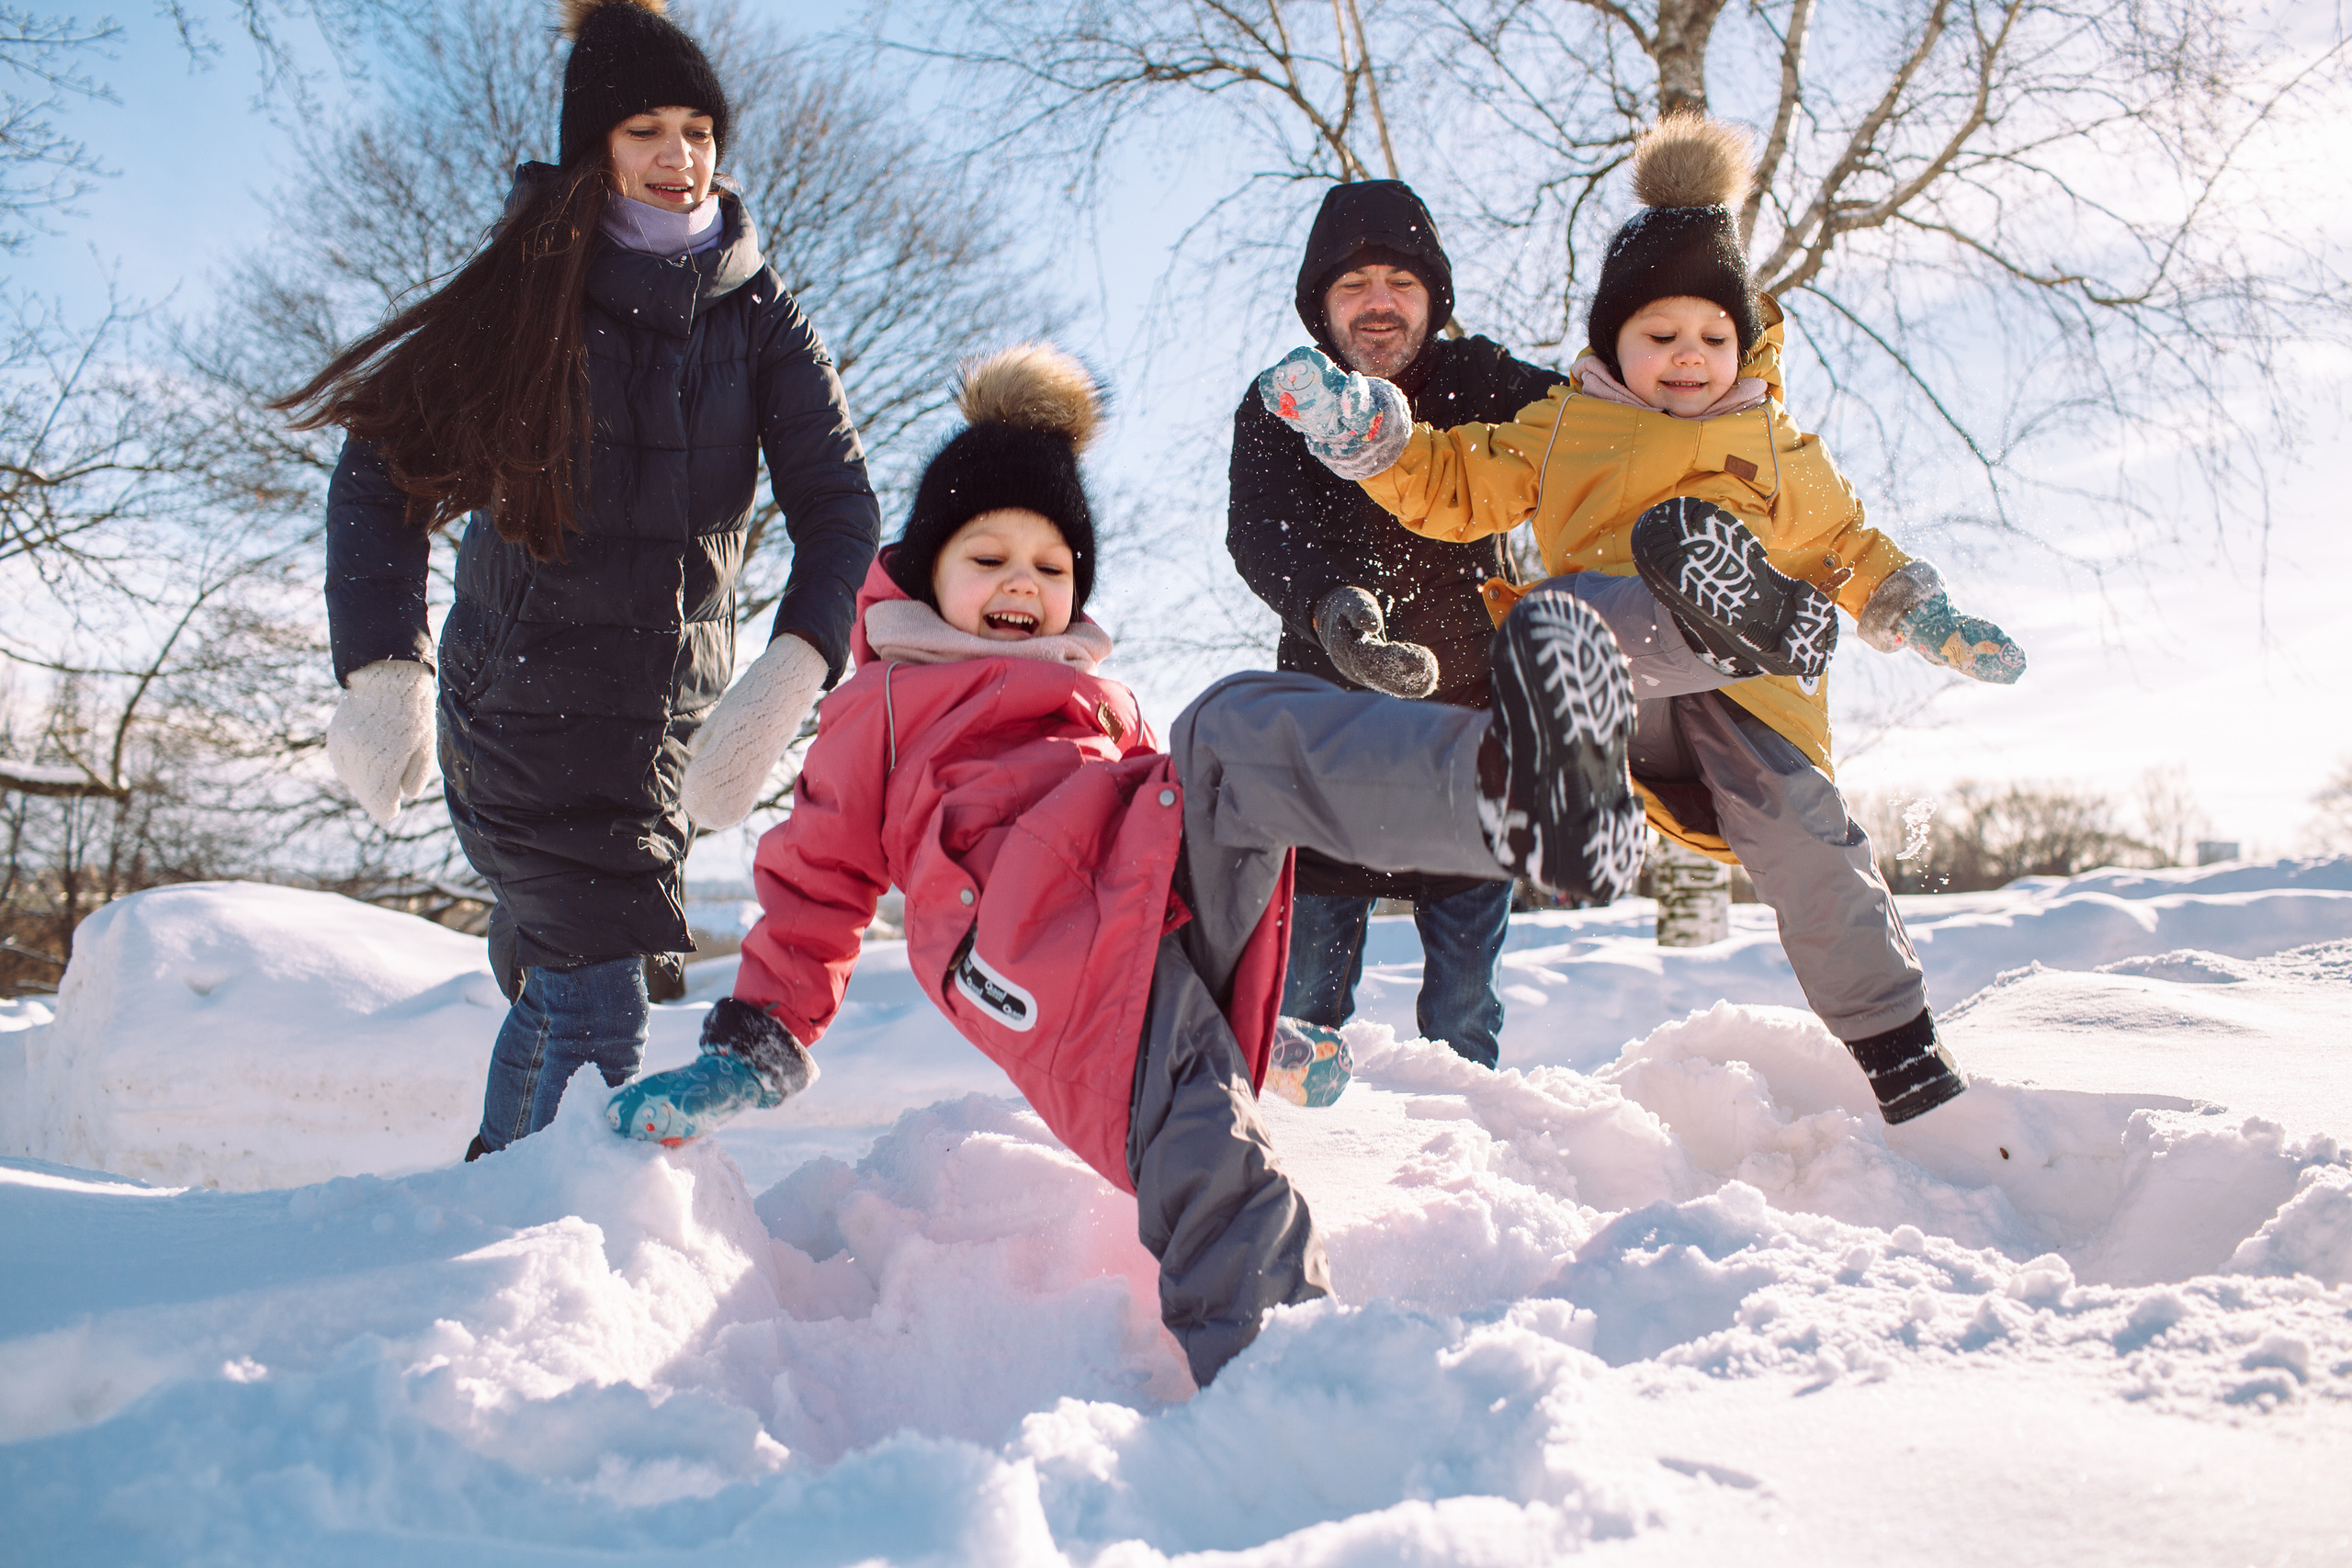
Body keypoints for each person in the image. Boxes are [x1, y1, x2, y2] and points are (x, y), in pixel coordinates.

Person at [605, 345, 1646, 1385]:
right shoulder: (879, 708)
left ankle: (1512, 790)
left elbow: (1188, 857)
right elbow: (816, 882)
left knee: (1239, 715)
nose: (1024, 581)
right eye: (989, 557)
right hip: (1033, 961)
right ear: (928, 573)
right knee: (1208, 1150)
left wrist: (1262, 1023)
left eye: (1052, 568)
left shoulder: (1103, 704)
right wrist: (757, 1041)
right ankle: (1280, 1384)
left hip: (1148, 923)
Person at [1260, 115, 2029, 1126]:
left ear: (1740, 342)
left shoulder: (1778, 446)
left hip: (1750, 700)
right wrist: (1376, 442)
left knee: (1809, 841)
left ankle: (1904, 1057)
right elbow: (1458, 483)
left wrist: (1920, 613)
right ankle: (1593, 775)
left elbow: (1849, 545)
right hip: (1625, 673)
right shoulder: (1565, 424)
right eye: (1659, 337)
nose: (1687, 357)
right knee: (1556, 621)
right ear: (1612, 343)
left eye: (1713, 337)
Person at [278, 0, 879, 1158]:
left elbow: (839, 505)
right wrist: (380, 671)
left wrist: (791, 669)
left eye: (699, 129)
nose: (679, 156)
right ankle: (572, 1242)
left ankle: (489, 1208)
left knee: (570, 986)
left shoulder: (761, 319)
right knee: (603, 1007)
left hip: (663, 726)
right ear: (591, 148)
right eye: (646, 128)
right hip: (520, 714)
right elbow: (379, 474)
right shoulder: (523, 296)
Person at [1227, 181, 1565, 1070]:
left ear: (1432, 298)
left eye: (1399, 281)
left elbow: (1602, 429)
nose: (1378, 301)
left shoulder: (1485, 381)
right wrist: (1334, 612)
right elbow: (1260, 532)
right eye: (1353, 284)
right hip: (1325, 738)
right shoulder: (1281, 400)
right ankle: (1289, 1153)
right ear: (1320, 304)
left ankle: (1465, 1162)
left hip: (1470, 730)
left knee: (1461, 1010)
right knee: (1302, 1009)